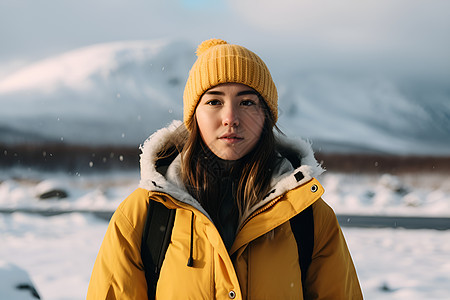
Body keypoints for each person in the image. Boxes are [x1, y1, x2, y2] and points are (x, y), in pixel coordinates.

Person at [87, 38, 363, 299]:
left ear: (265, 116)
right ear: (193, 116)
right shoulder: (142, 216)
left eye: (247, 102)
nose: (230, 118)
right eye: (214, 101)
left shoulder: (309, 217)